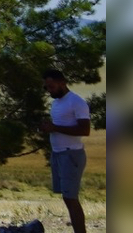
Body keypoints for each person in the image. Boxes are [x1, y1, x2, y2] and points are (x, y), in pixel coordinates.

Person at [40, 68, 90, 233]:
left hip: (71, 154)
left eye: (52, 86)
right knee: (67, 198)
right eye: (47, 87)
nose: (49, 90)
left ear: (63, 82)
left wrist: (54, 127)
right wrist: (48, 128)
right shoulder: (55, 103)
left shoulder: (76, 102)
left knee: (70, 197)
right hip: (58, 153)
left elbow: (85, 130)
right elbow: (59, 126)